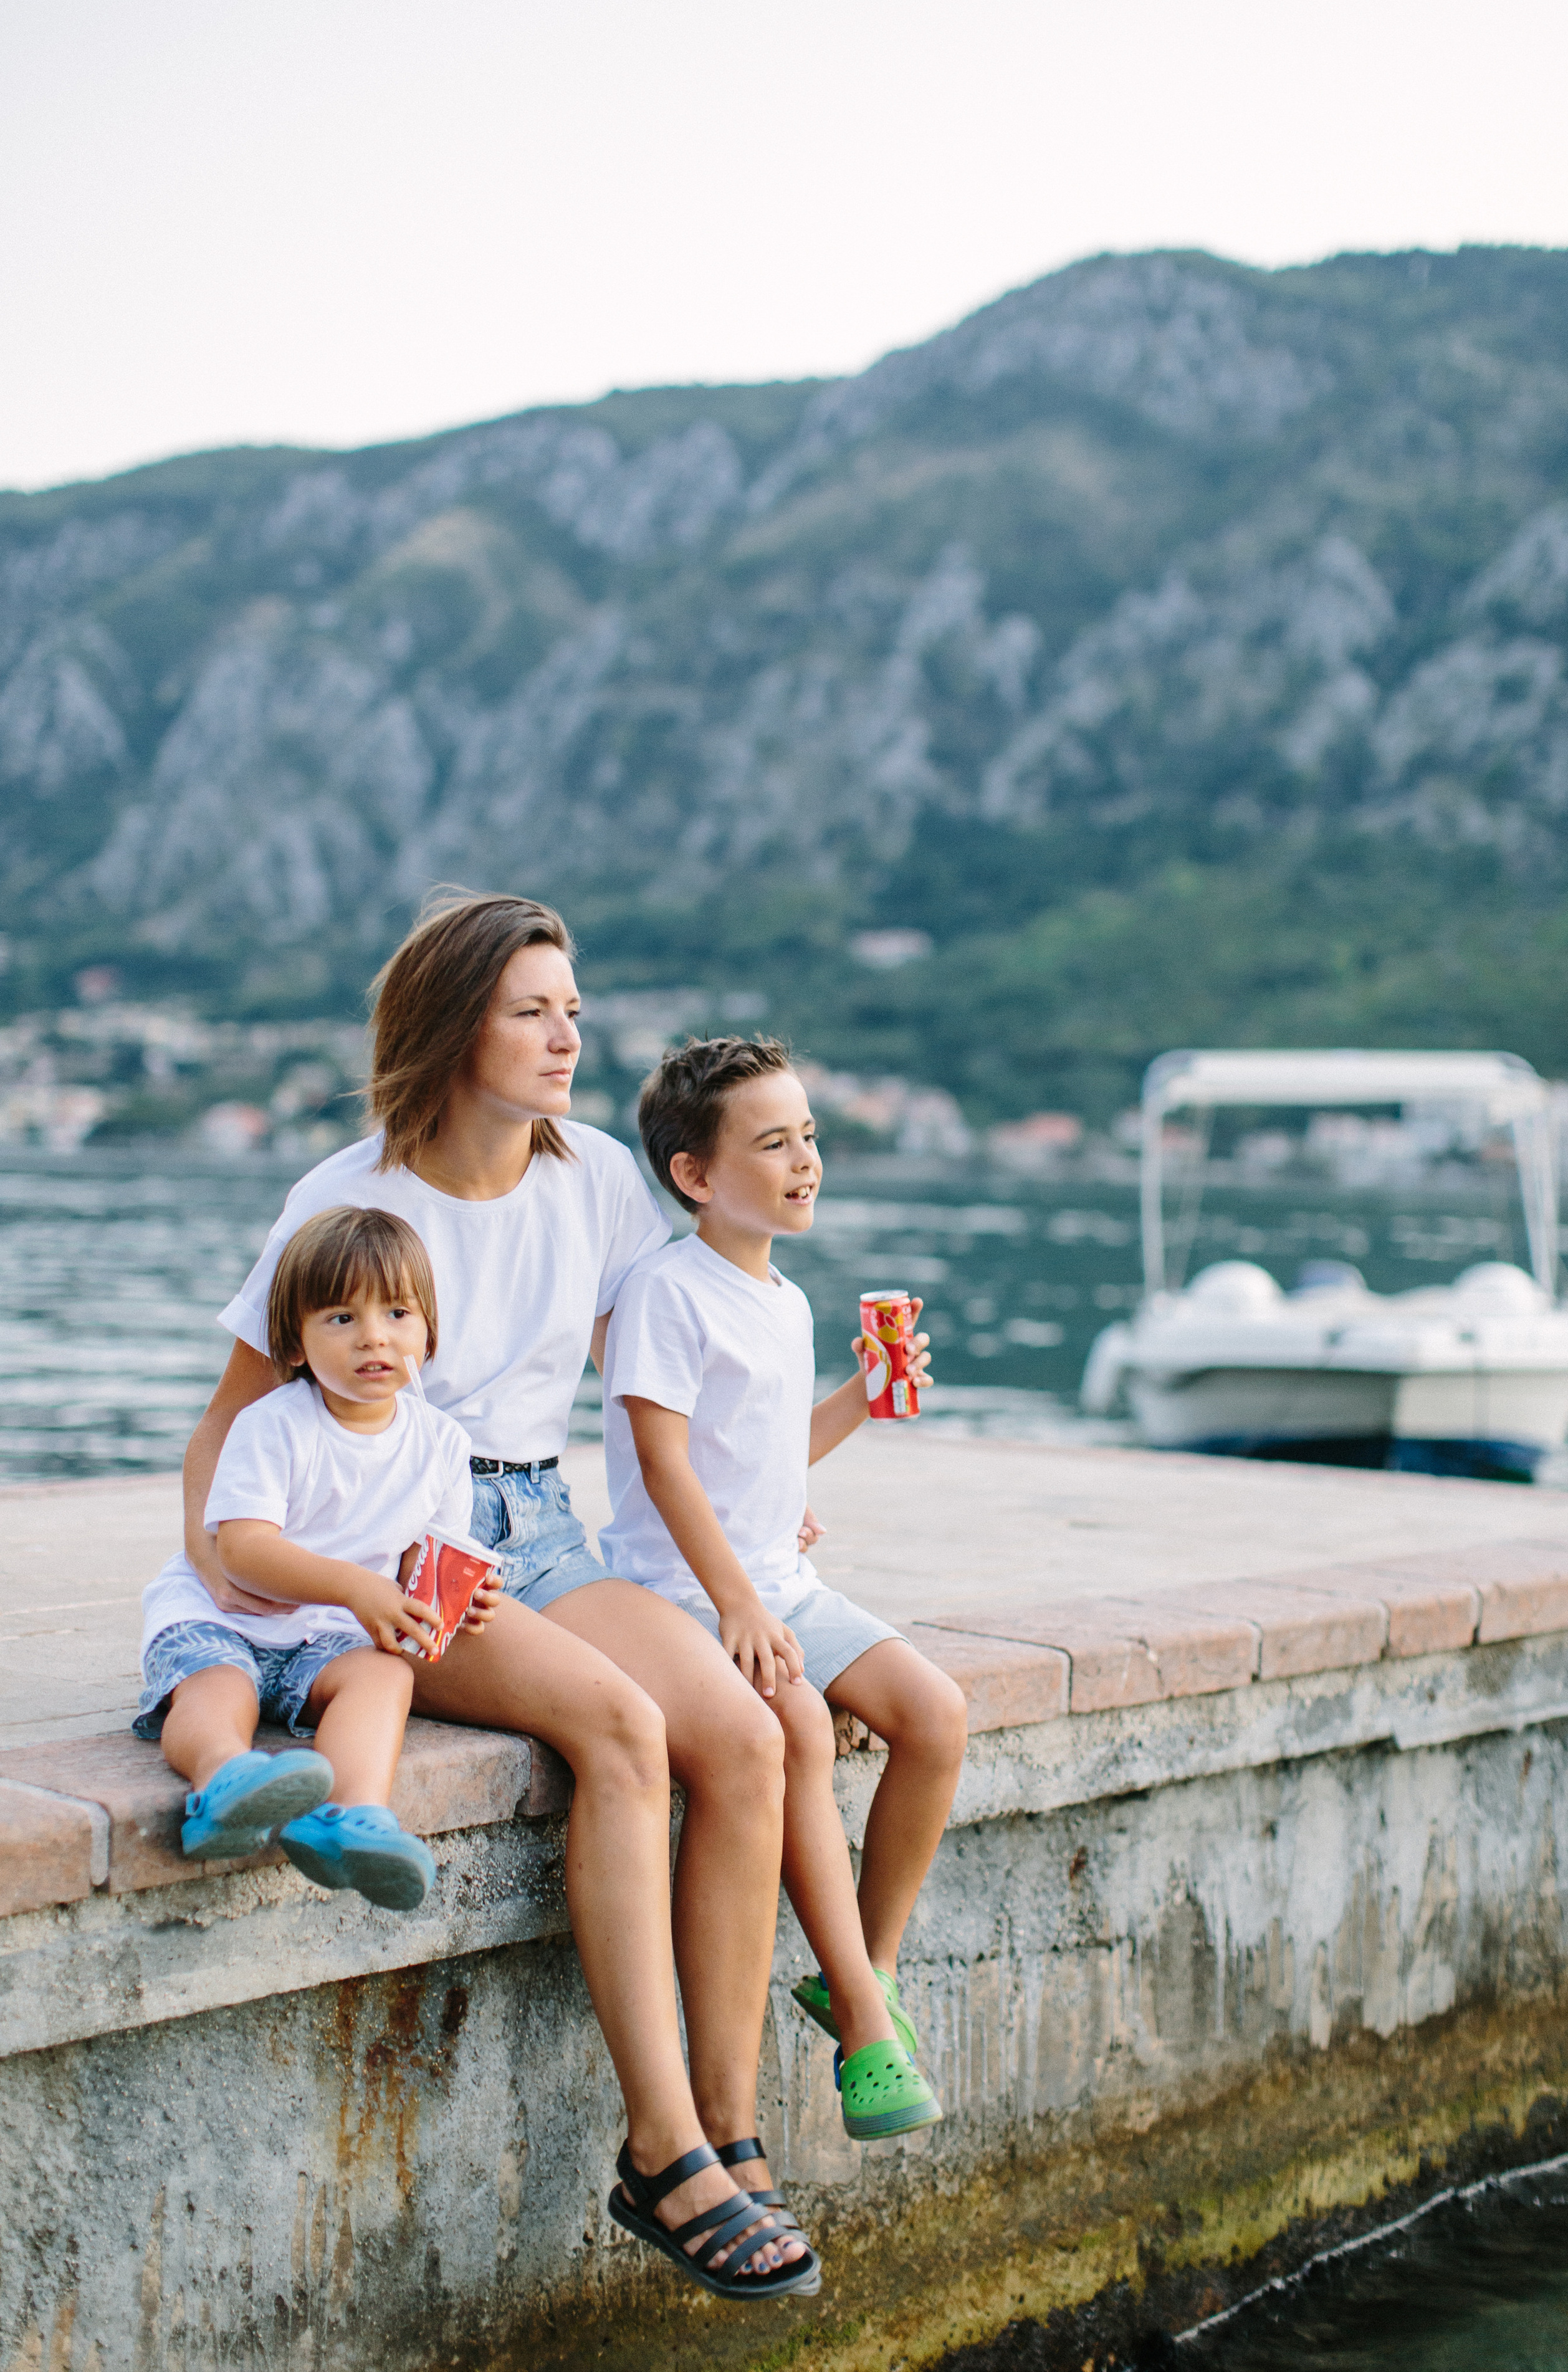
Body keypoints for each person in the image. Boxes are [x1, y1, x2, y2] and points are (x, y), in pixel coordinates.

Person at [178, 893, 818, 2300]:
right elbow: (228, 1429)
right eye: (533, 1007)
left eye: (573, 1008)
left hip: (544, 1521)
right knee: (621, 1734)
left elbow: (661, 1374)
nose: (567, 1033)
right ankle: (660, 2152)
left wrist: (763, 1492)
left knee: (753, 1738)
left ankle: (729, 2123)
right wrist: (241, 1596)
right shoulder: (352, 1203)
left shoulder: (593, 1175)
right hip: (415, 1542)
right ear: (454, 1019)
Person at [600, 1035, 969, 2141]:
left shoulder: (786, 1299)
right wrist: (738, 1605)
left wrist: (864, 1393)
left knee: (936, 1716)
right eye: (773, 1143)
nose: (806, 1160)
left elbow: (763, 1451)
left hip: (777, 1583)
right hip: (681, 1593)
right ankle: (862, 2023)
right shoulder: (670, 1293)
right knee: (800, 1728)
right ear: (695, 1176)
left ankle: (869, 1969)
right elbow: (663, 1464)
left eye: (809, 1137)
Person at [138, 1205, 478, 1910]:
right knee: (218, 1689)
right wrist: (357, 1586)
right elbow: (242, 1551)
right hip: (226, 1620)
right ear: (293, 1344)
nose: (373, 1337)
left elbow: (429, 1553)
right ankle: (224, 1780)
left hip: (324, 1637)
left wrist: (456, 1598)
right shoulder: (274, 1425)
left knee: (383, 1679)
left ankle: (350, 1818)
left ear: (429, 1331)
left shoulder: (441, 1442)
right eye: (341, 1319)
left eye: (397, 1313)